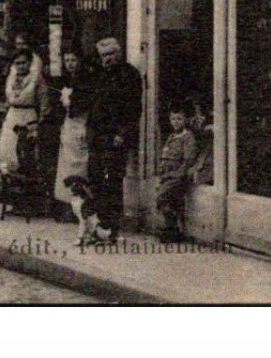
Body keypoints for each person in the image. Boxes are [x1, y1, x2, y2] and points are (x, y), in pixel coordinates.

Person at [86, 36, 143, 240]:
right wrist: (89, 131)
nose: (107, 59)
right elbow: (92, 104)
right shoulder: (99, 74)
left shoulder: (129, 75)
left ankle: (113, 226)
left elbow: (134, 109)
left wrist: (122, 134)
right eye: (103, 55)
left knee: (113, 179)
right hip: (97, 134)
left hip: (116, 136)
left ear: (119, 54)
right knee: (95, 177)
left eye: (110, 54)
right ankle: (101, 221)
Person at [50, 50, 91, 221]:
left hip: (81, 123)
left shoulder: (85, 81)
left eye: (73, 59)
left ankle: (82, 206)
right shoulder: (67, 80)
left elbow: (82, 104)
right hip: (68, 125)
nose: (70, 63)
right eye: (67, 60)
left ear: (79, 60)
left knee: (80, 164)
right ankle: (68, 205)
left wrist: (69, 102)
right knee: (66, 165)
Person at [0, 49, 50, 176]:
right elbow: (7, 99)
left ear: (30, 63)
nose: (20, 66)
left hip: (28, 114)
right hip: (12, 114)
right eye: (17, 63)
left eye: (23, 63)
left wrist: (41, 118)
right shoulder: (11, 78)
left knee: (26, 150)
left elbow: (44, 100)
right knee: (7, 148)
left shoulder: (36, 78)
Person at [156, 103, 197, 241]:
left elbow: (188, 160)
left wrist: (177, 174)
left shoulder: (188, 137)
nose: (176, 122)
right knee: (170, 202)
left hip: (178, 176)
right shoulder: (172, 136)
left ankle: (171, 228)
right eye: (173, 119)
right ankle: (172, 230)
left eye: (179, 119)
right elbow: (165, 155)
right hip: (167, 175)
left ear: (185, 120)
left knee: (161, 197)